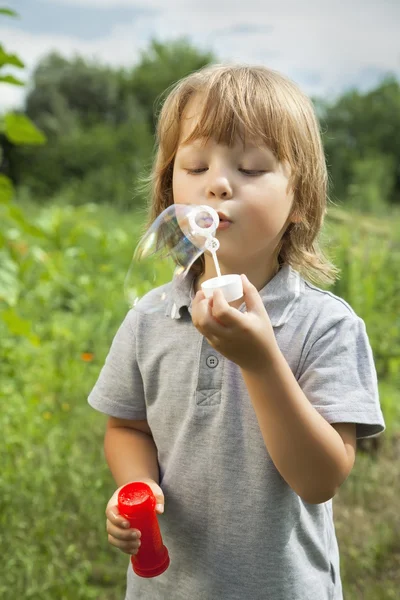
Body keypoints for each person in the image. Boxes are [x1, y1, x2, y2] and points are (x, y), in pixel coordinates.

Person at [88, 64, 385, 600]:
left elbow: (321, 479)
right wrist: (135, 485)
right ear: (168, 190)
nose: (218, 184)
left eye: (249, 168)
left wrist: (260, 360)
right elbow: (127, 427)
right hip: (167, 588)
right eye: (196, 165)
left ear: (299, 202)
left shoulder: (327, 327)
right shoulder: (150, 318)